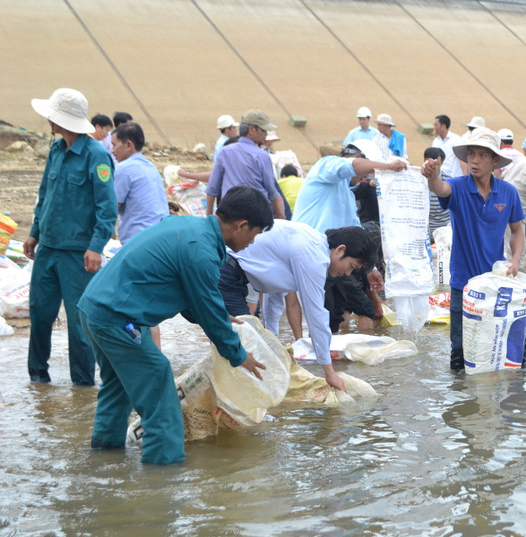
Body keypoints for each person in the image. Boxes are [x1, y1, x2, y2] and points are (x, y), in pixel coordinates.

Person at [77, 186, 272, 465]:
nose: (253, 241)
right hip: (117, 319)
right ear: (242, 226)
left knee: (118, 388)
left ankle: (104, 461)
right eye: (255, 233)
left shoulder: (187, 226)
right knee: (160, 393)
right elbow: (208, 307)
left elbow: (190, 295)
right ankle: (164, 481)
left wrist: (215, 317)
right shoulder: (201, 250)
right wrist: (238, 355)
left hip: (94, 308)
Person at [26, 88, 117, 386]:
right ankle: (38, 378)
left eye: (52, 116)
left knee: (79, 324)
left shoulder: (97, 156)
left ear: (60, 120)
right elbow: (45, 196)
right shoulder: (56, 150)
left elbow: (107, 209)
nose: (48, 120)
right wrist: (34, 232)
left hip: (78, 254)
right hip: (48, 248)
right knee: (39, 314)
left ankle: (82, 384)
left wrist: (95, 248)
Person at [220, 222, 377, 391]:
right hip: (226, 272)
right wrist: (329, 373)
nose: (347, 273)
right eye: (351, 266)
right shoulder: (314, 257)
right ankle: (234, 398)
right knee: (246, 344)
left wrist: (273, 341)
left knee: (247, 344)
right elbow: (316, 315)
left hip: (233, 274)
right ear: (339, 249)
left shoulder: (312, 245)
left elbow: (274, 296)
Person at [421, 127, 526, 371]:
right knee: (459, 354)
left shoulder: (507, 192)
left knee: (511, 351)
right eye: (471, 155)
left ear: (495, 161)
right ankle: (461, 401)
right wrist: (431, 176)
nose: (475, 160)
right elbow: (440, 188)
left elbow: (518, 230)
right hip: (463, 284)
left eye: (482, 155)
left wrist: (516, 260)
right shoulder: (458, 187)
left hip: (496, 283)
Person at [293, 141, 406, 331]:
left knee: (338, 316)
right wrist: (387, 167)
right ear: (358, 157)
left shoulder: (347, 194)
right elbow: (352, 166)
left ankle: (338, 358)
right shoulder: (327, 166)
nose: (365, 176)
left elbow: (356, 232)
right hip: (309, 255)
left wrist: (370, 268)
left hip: (332, 262)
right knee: (330, 316)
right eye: (366, 170)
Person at [205, 109, 285, 219]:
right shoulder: (261, 156)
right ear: (252, 129)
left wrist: (209, 216)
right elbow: (271, 190)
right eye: (263, 130)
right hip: (256, 213)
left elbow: (212, 187)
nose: (265, 134)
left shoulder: (224, 152)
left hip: (229, 213)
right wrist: (281, 216)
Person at [110, 122, 168, 245]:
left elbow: (111, 209)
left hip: (138, 240)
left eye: (114, 145)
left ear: (129, 144)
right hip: (160, 236)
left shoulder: (123, 168)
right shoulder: (150, 166)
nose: (112, 150)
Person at [423, 147, 451, 241]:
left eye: (437, 164)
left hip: (444, 229)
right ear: (424, 161)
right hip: (425, 229)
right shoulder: (417, 180)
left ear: (442, 163)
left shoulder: (448, 180)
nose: (432, 167)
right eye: (429, 163)